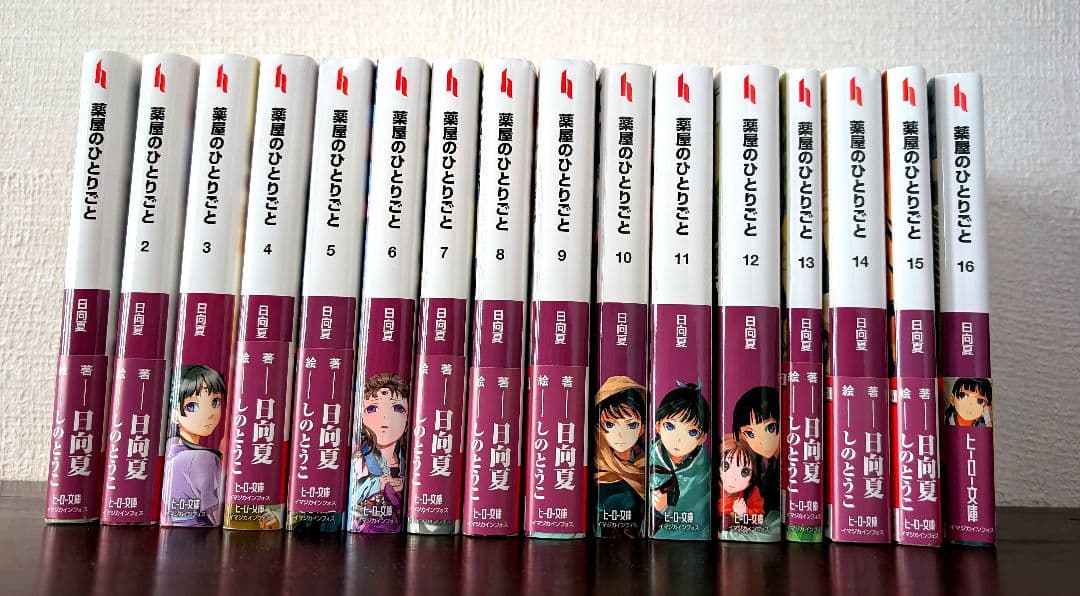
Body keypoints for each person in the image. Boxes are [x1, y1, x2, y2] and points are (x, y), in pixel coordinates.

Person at [160, 364, 225, 526]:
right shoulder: (202, 458)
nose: (209, 414)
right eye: (192, 406)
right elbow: (216, 516)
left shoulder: (170, 448)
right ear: (174, 413)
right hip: (202, 535)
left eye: (215, 402)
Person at [348, 373, 410, 533]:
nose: (385, 417)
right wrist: (377, 484)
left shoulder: (408, 458)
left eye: (397, 408)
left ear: (408, 418)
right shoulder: (359, 458)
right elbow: (351, 496)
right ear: (361, 417)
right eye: (372, 409)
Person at [649, 382, 711, 538]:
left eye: (692, 432)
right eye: (670, 426)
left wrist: (665, 508)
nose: (678, 439)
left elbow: (699, 514)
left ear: (702, 437)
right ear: (658, 426)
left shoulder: (705, 469)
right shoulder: (648, 457)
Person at [593, 376, 647, 537]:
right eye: (610, 425)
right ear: (599, 428)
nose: (621, 435)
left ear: (642, 429)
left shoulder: (646, 465)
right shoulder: (596, 469)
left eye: (631, 425)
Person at [731, 386, 781, 515]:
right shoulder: (771, 464)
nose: (761, 441)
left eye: (770, 428)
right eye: (750, 434)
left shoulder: (791, 461)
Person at [717, 434, 764, 534]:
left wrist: (744, 512)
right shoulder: (712, 486)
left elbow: (759, 516)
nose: (733, 478)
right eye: (725, 466)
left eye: (744, 472)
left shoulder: (751, 491)